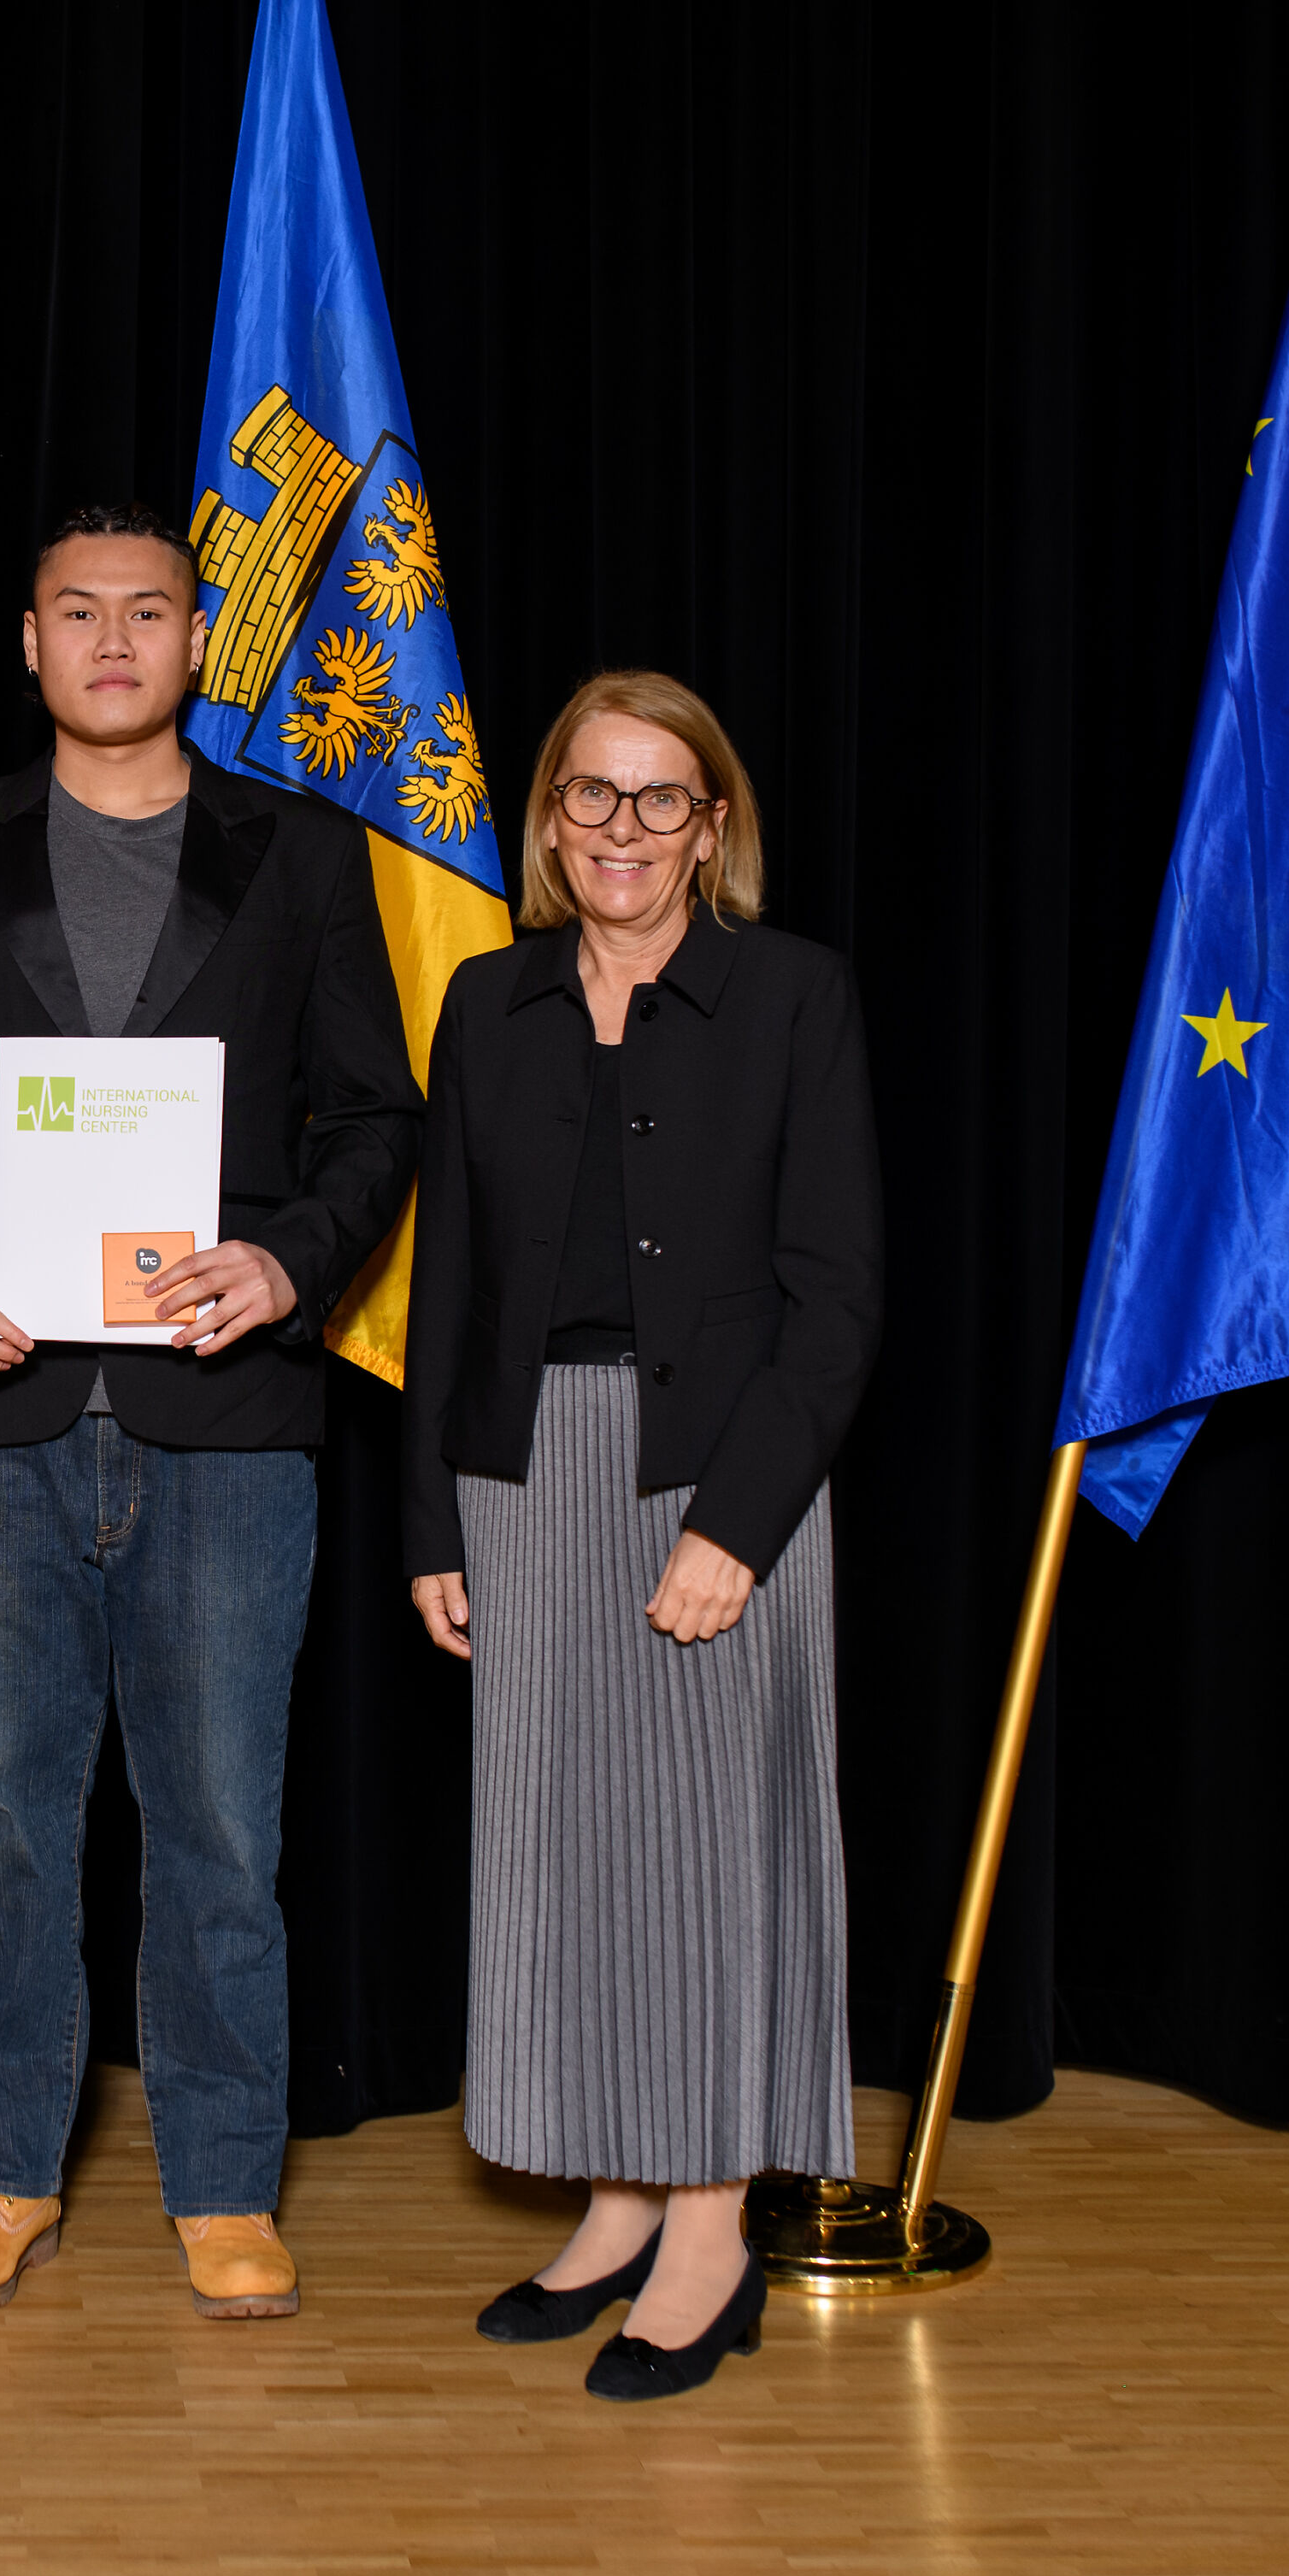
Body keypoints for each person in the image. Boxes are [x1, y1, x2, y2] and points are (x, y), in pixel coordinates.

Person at [0, 504, 421, 2320]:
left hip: (227, 1412)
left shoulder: (302, 851)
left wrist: (289, 1263)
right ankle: (0, 2169)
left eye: (146, 610)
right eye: (76, 611)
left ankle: (225, 2181)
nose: (110, 639)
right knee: (5, 1815)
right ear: (28, 643)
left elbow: (374, 1115)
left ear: (195, 636)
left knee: (222, 1821)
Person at [398, 668, 880, 2404]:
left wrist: (736, 1525)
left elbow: (838, 1298)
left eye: (657, 796)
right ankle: (612, 2200)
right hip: (524, 1479)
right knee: (569, 1864)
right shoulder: (488, 1000)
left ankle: (706, 2232)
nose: (621, 827)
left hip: (717, 1478)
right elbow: (447, 1282)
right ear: (548, 819)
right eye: (590, 794)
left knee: (705, 1866)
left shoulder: (793, 995)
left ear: (710, 823)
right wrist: (433, 1512)